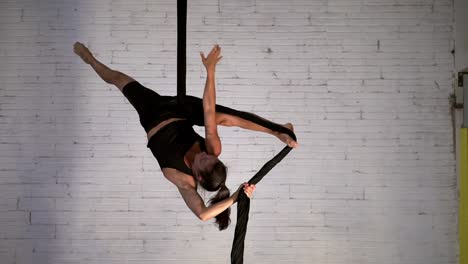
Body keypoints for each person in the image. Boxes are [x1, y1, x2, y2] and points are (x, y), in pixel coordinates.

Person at [73, 42, 298, 230]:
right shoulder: (212, 150)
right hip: (181, 110)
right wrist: (210, 71)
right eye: (211, 158)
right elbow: (209, 111)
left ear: (198, 176)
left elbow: (202, 214)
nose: (204, 154)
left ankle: (91, 61)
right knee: (223, 118)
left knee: (119, 79)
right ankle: (275, 129)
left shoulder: (183, 180)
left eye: (203, 161)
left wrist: (235, 197)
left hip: (152, 113)